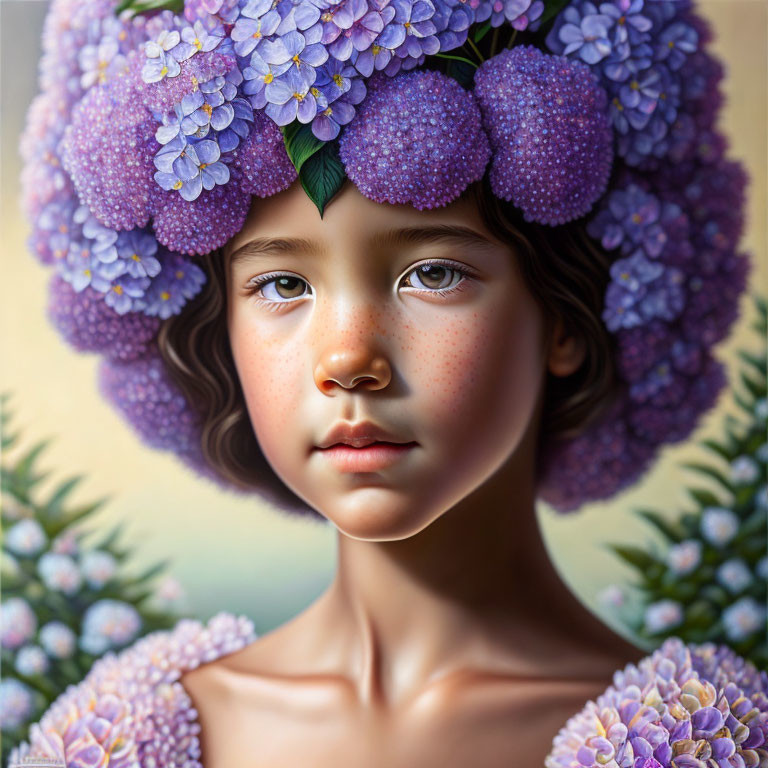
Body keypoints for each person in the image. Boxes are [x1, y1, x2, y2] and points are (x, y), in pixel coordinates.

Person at [9, 0, 766, 766]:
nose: (347, 358)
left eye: (432, 274)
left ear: (566, 320)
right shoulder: (120, 743)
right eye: (281, 285)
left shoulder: (703, 739)